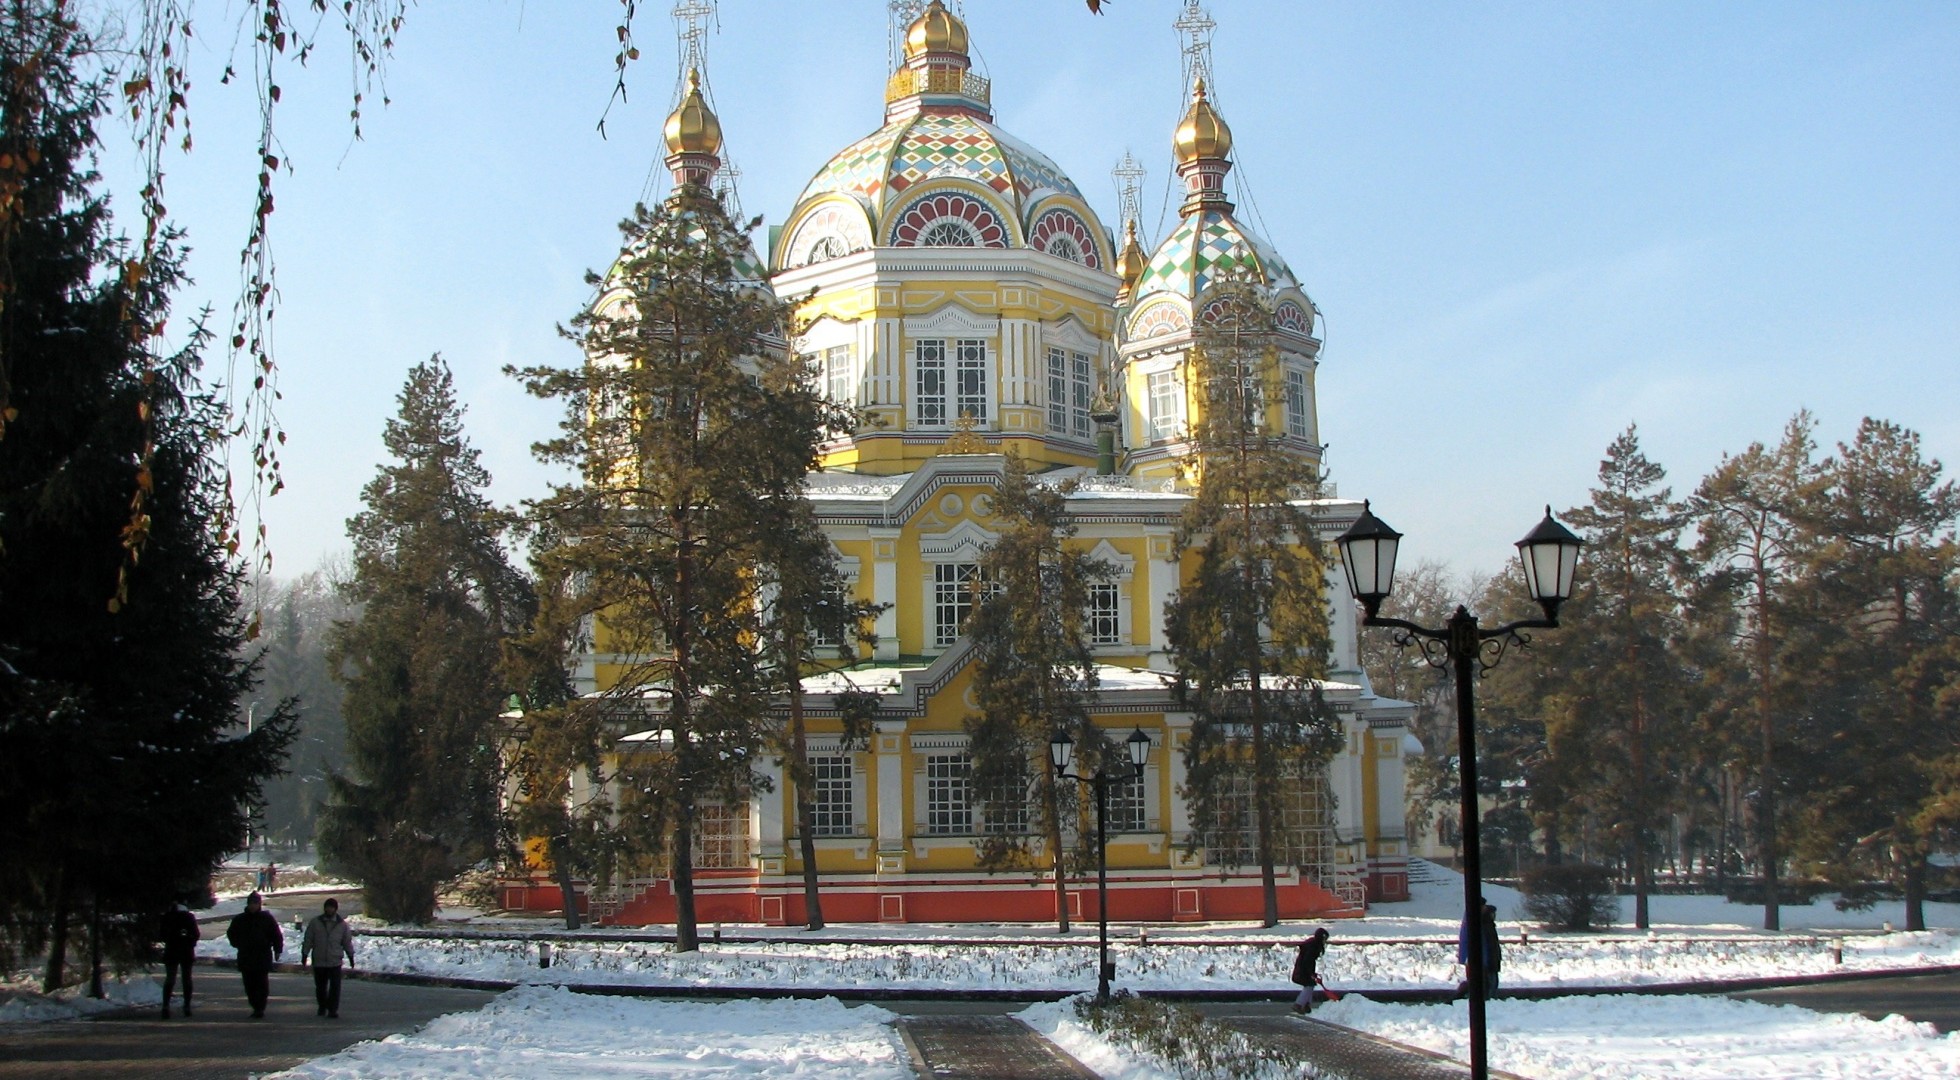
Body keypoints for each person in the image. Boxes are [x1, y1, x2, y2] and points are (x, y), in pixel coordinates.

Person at [226, 892, 284, 1018]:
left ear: (259, 905)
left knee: (262, 983)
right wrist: (238, 944)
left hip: (262, 955)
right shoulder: (240, 919)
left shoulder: (266, 918)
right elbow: (231, 934)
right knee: (249, 984)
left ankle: (260, 1007)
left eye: (255, 903)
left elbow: (276, 935)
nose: (253, 906)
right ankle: (254, 1004)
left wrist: (277, 949)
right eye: (251, 903)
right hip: (246, 956)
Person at [299, 897, 356, 1018]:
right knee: (321, 987)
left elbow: (347, 942)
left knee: (335, 987)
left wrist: (350, 956)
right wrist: (304, 954)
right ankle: (322, 1005)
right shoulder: (315, 923)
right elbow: (308, 939)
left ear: (335, 909)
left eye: (332, 907)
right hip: (319, 960)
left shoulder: (342, 925)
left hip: (334, 960)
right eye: (327, 907)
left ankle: (332, 1009)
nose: (329, 910)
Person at [156, 902, 200, 1019]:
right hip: (186, 951)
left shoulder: (167, 916)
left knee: (170, 978)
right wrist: (190, 941)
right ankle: (186, 1006)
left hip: (171, 951)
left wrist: (170, 939)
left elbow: (161, 935)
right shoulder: (189, 917)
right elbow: (196, 934)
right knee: (186, 979)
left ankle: (165, 1006)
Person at [1456, 899, 1502, 999]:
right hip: (1484, 959)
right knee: (1485, 984)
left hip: (1487, 959)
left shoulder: (1478, 921)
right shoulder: (1476, 922)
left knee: (1487, 984)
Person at [1290, 927, 1331, 1013]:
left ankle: (1306, 1005)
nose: (1325, 941)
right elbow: (1308, 961)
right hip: (1302, 970)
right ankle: (1299, 1004)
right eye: (1325, 939)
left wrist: (1312, 973)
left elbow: (1310, 961)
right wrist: (1310, 973)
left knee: (1310, 984)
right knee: (1309, 985)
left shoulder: (1313, 944)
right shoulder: (1313, 946)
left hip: (1303, 969)